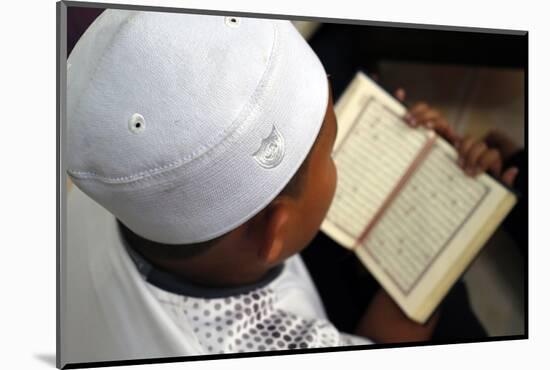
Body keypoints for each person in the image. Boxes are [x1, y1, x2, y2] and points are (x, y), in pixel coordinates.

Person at [63, 9, 518, 366]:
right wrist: (437, 259)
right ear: (275, 232)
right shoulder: (297, 344)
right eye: (334, 151)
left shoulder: (114, 181)